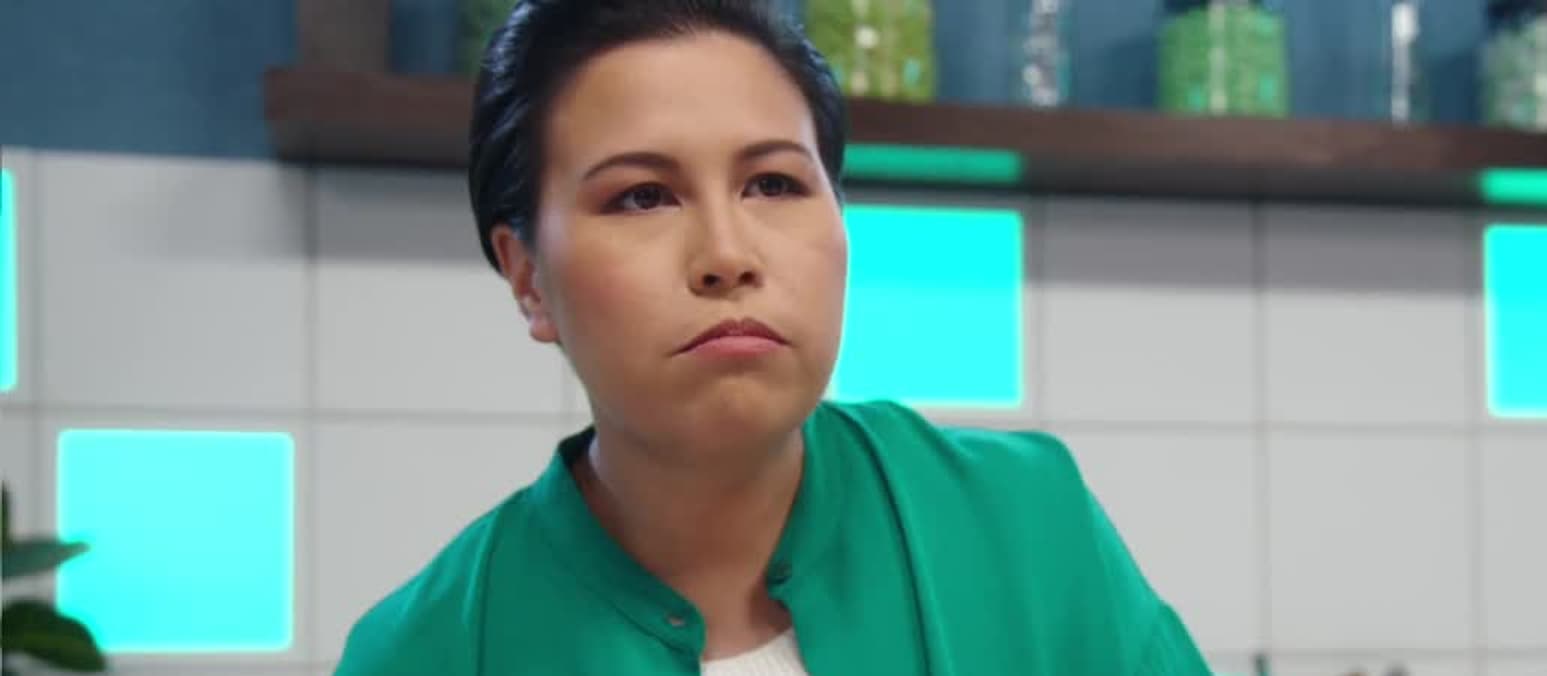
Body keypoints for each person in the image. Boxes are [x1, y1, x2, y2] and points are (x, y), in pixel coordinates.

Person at [335, 1, 1209, 673]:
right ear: (529, 277)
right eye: (642, 196)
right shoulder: (424, 651)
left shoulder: (1026, 528)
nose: (726, 255)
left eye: (774, 184)